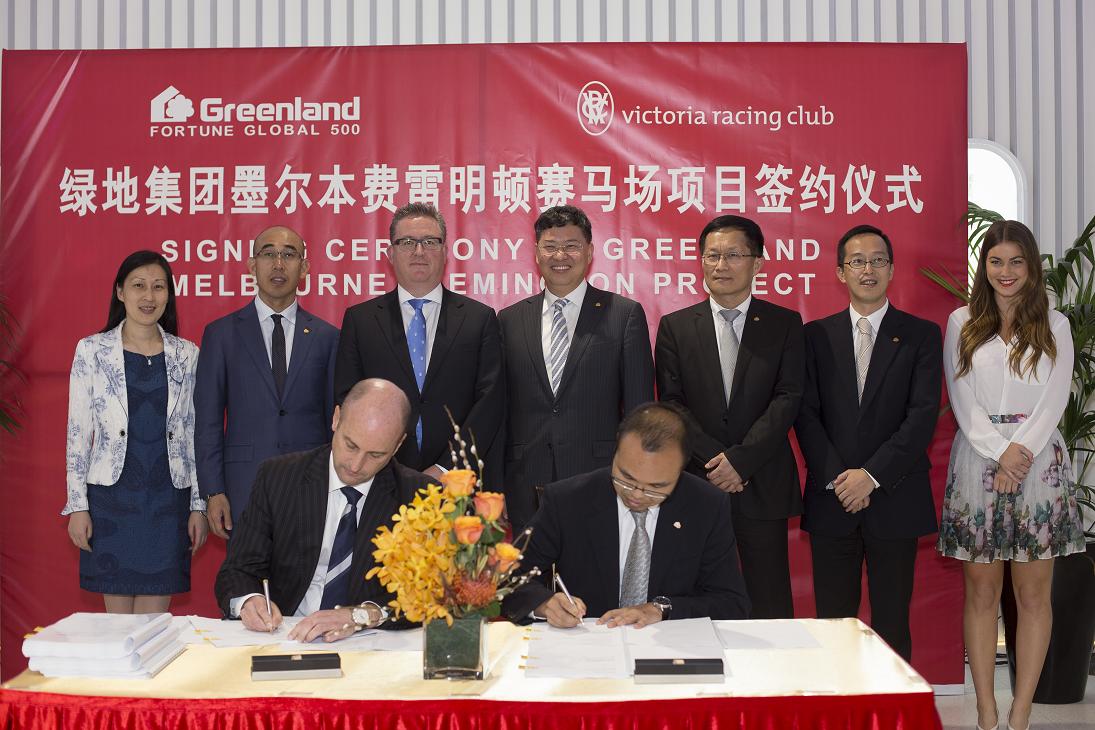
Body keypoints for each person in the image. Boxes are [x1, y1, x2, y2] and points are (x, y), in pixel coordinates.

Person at [938, 220, 1085, 730]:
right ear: (984, 267)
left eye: (1016, 262)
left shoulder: (1056, 324)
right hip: (978, 460)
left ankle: (1020, 713)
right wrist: (1000, 452)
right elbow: (962, 398)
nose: (1006, 272)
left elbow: (1055, 398)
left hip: (1039, 464)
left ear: (1031, 267)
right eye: (996, 261)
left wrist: (1019, 455)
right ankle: (986, 710)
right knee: (981, 594)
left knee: (1033, 596)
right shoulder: (961, 322)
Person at [794, 224, 942, 661]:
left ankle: (892, 702)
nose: (868, 270)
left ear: (891, 270)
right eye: (857, 261)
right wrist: (842, 479)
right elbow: (805, 414)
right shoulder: (815, 336)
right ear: (841, 272)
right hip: (833, 497)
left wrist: (871, 476)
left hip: (894, 497)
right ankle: (839, 700)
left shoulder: (921, 334)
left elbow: (921, 417)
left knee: (892, 621)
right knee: (834, 623)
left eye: (878, 261)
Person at [654, 214, 803, 619]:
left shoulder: (785, 324)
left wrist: (740, 461)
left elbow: (788, 398)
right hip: (697, 481)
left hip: (761, 478)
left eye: (734, 255)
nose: (721, 265)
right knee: (693, 597)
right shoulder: (675, 327)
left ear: (758, 263)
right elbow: (672, 404)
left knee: (768, 599)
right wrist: (716, 461)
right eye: (712, 256)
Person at [214, 378, 434, 642]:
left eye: (375, 455)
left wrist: (362, 616)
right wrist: (249, 601)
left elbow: (429, 597)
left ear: (398, 445)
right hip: (286, 635)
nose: (356, 465)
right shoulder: (278, 477)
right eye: (351, 445)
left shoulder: (419, 497)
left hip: (368, 643)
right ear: (336, 419)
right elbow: (237, 571)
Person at [503, 402, 749, 626]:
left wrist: (662, 609)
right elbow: (507, 580)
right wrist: (544, 604)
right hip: (588, 644)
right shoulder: (568, 500)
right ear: (615, 451)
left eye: (656, 487)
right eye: (626, 478)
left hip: (668, 650)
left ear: (681, 470)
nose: (637, 495)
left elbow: (731, 603)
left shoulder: (706, 505)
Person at [64, 250, 208, 613]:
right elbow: (78, 434)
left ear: (169, 295)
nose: (149, 296)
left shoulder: (187, 354)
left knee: (154, 626)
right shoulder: (92, 351)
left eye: (158, 287)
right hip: (111, 500)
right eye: (139, 286)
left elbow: (193, 434)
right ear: (120, 292)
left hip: (168, 502)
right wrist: (78, 506)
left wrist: (198, 505)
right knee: (118, 627)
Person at [499, 205, 654, 531]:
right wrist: (496, 486)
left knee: (593, 564)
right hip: (525, 481)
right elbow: (499, 411)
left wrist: (635, 477)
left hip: (600, 478)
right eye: (550, 246)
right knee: (531, 564)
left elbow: (639, 410)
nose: (560, 256)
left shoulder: (623, 314)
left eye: (571, 246)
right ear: (536, 253)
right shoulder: (509, 320)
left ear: (589, 252)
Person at [333, 203, 504, 484]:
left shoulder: (479, 318)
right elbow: (348, 399)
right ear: (390, 253)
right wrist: (384, 466)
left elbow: (490, 403)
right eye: (407, 242)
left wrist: (446, 469)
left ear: (445, 251)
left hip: (457, 482)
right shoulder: (360, 321)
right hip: (382, 479)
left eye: (430, 242)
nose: (419, 251)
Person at [194, 225, 339, 538]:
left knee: (307, 570)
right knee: (247, 570)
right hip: (243, 488)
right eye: (268, 254)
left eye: (289, 255)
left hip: (311, 487)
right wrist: (213, 491)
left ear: (304, 267)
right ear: (252, 265)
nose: (278, 264)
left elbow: (334, 422)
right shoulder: (221, 335)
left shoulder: (327, 337)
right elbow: (207, 421)